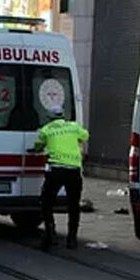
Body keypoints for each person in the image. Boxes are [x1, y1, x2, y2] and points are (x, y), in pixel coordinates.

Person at [33, 101, 89, 250]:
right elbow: (85, 136)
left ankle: (51, 234)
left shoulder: (46, 130)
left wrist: (35, 149)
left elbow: (38, 146)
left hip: (56, 170)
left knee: (46, 202)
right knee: (73, 205)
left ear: (49, 117)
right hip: (74, 171)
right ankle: (72, 239)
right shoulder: (73, 126)